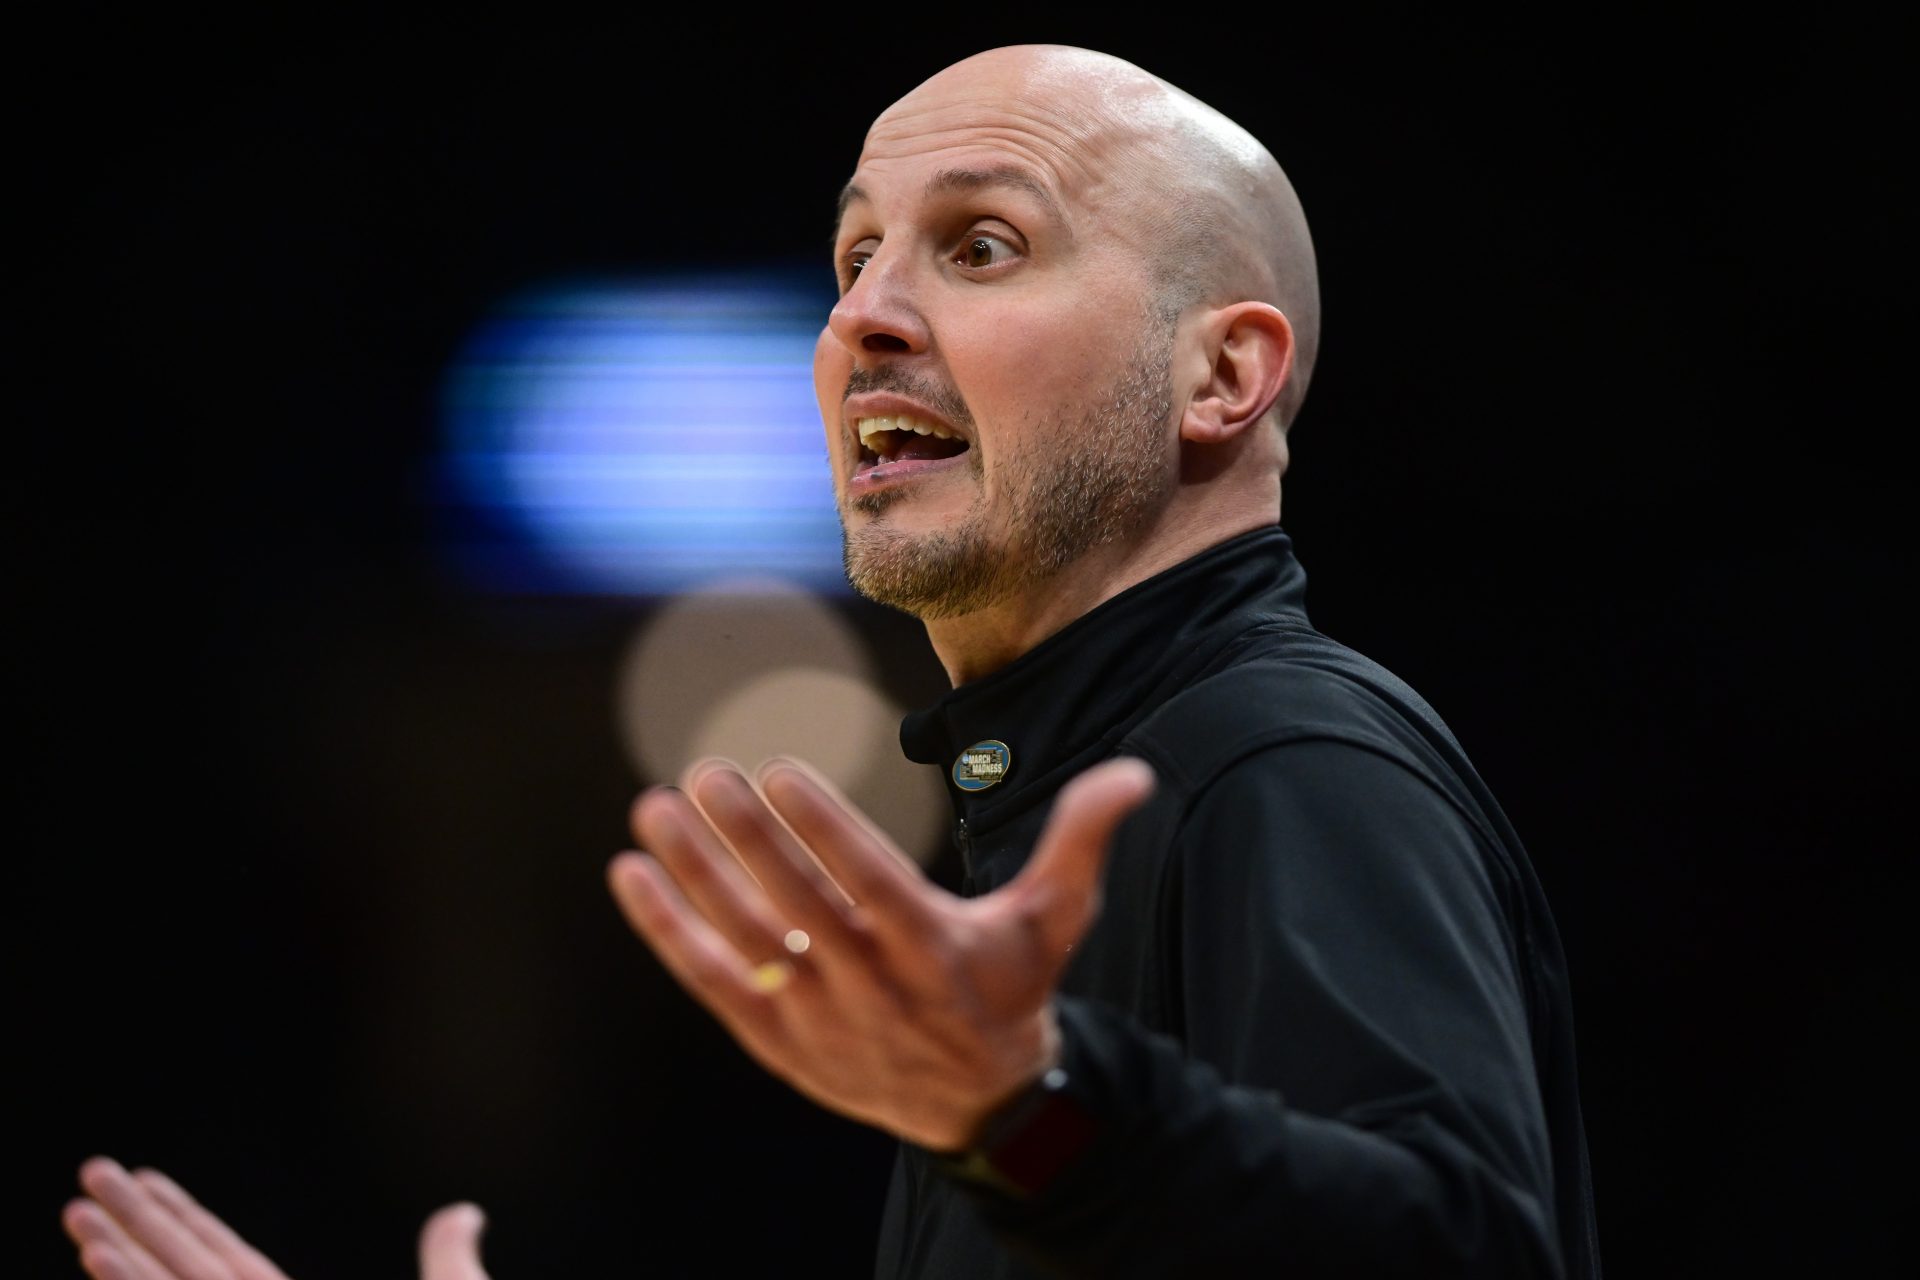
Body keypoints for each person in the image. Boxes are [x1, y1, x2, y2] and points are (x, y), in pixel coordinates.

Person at [62, 44, 1600, 1280]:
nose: (864, 314)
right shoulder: (1059, 785)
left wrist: (1030, 1113)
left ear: (1221, 373)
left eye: (981, 245)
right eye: (855, 253)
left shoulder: (1280, 754)